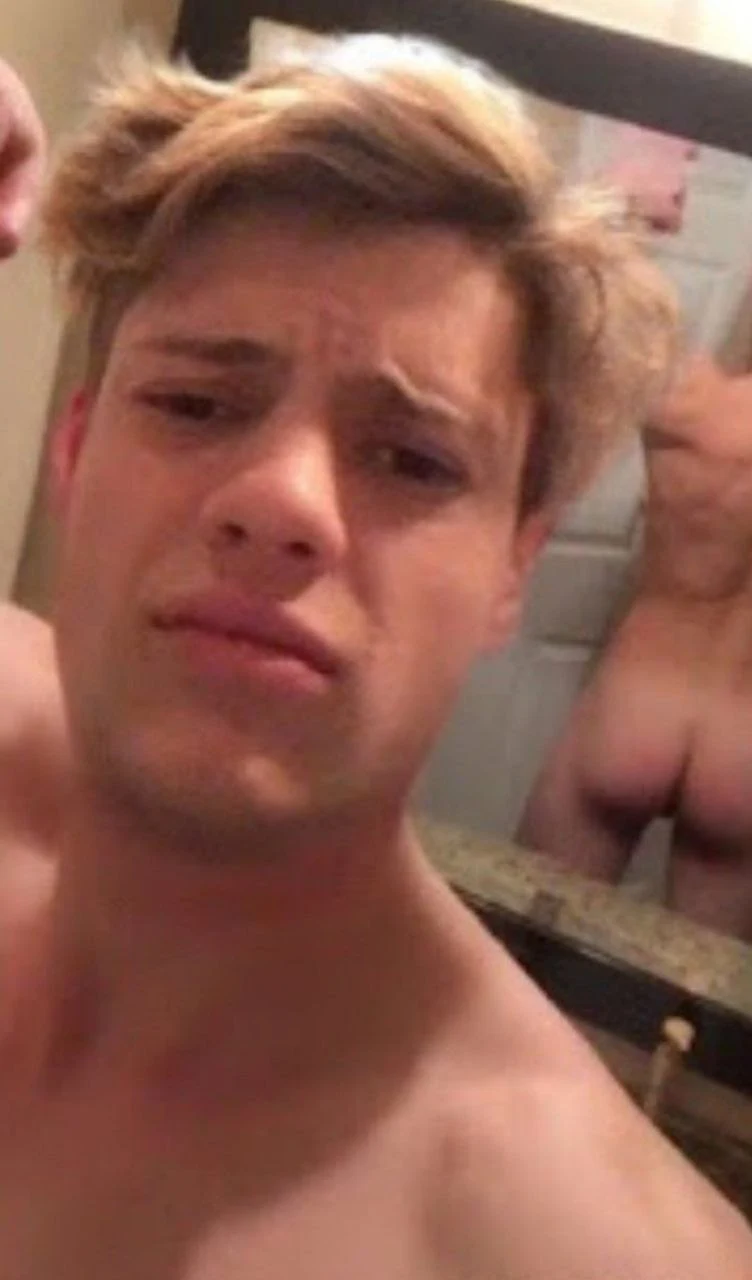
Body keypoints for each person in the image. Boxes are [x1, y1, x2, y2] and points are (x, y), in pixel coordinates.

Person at [1, 35, 751, 1278]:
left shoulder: (576, 1246)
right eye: (194, 402)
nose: (280, 501)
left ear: (513, 565)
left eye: (412, 459)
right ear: (74, 453)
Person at [520, 350, 752, 941]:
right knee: (691, 982)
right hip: (742, 746)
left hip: (636, 704)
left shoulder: (687, 394)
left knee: (528, 940)